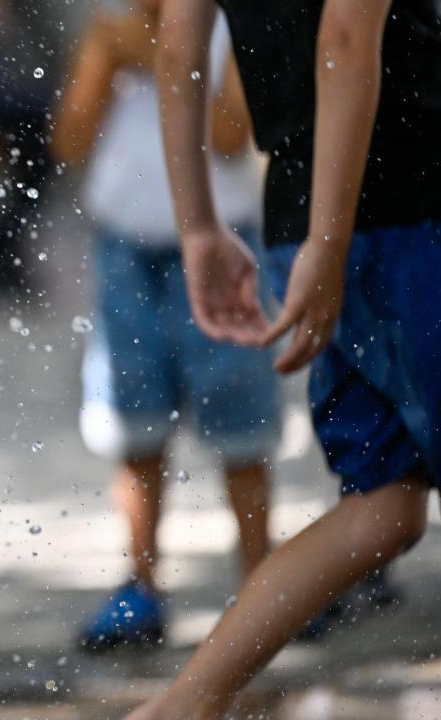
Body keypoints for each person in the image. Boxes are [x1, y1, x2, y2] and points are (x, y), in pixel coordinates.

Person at [126, 0, 441, 716]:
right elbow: (345, 34)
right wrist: (330, 247)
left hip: (300, 216)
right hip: (408, 206)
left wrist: (198, 227)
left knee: (385, 506)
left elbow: (178, 48)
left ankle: (183, 706)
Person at [52, 0, 278, 652]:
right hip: (126, 246)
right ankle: (140, 581)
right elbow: (68, 142)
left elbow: (235, 133)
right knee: (135, 420)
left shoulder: (231, 28)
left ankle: (264, 580)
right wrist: (106, 58)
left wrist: (157, 57)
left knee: (240, 421)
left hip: (224, 243)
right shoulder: (109, 30)